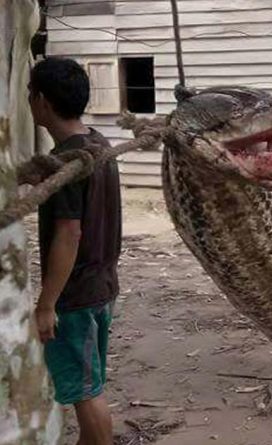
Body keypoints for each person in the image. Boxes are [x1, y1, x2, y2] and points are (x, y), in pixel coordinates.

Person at [27, 57, 121, 445]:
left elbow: (69, 233)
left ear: (43, 101)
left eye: (31, 95)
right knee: (89, 382)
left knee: (86, 392)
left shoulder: (69, 162)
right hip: (102, 286)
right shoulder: (99, 145)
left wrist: (47, 303)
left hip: (76, 296)